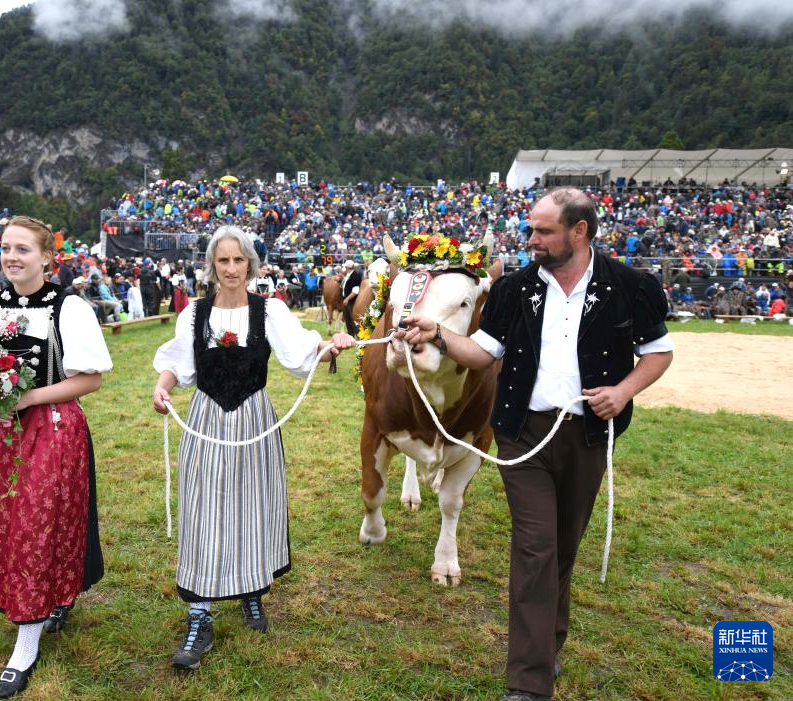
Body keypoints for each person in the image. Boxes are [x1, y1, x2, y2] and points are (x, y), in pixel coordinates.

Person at [397, 189, 673, 701]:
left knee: (562, 548)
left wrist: (622, 391)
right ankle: (527, 682)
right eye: (531, 229)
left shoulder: (629, 286)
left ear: (579, 231)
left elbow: (659, 352)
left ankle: (549, 646)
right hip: (521, 434)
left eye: (544, 231)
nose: (532, 240)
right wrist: (438, 334)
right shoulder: (515, 288)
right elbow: (482, 353)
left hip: (589, 436)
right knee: (535, 547)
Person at [151, 225, 355, 671]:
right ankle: (200, 615)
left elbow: (304, 355)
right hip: (206, 419)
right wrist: (162, 387)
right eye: (223, 260)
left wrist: (332, 344)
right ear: (212, 265)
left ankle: (250, 589)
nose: (231, 268)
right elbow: (177, 365)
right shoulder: (194, 314)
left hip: (254, 419)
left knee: (253, 505)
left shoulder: (270, 311)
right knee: (203, 510)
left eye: (238, 260)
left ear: (251, 265)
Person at [0, 216, 112, 699]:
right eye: (6, 248)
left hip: (53, 429)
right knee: (6, 521)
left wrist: (28, 397)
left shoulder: (69, 306)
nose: (12, 257)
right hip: (4, 434)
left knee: (38, 522)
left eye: (23, 249)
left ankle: (26, 641)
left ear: (47, 257)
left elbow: (90, 379)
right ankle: (38, 602)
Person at [340, 258, 362, 335]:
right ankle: (350, 334)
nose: (345, 269)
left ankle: (356, 334)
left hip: (352, 301)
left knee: (352, 318)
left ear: (348, 268)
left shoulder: (355, 276)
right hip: (347, 300)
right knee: (347, 319)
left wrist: (347, 299)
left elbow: (355, 291)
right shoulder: (348, 275)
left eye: (345, 267)